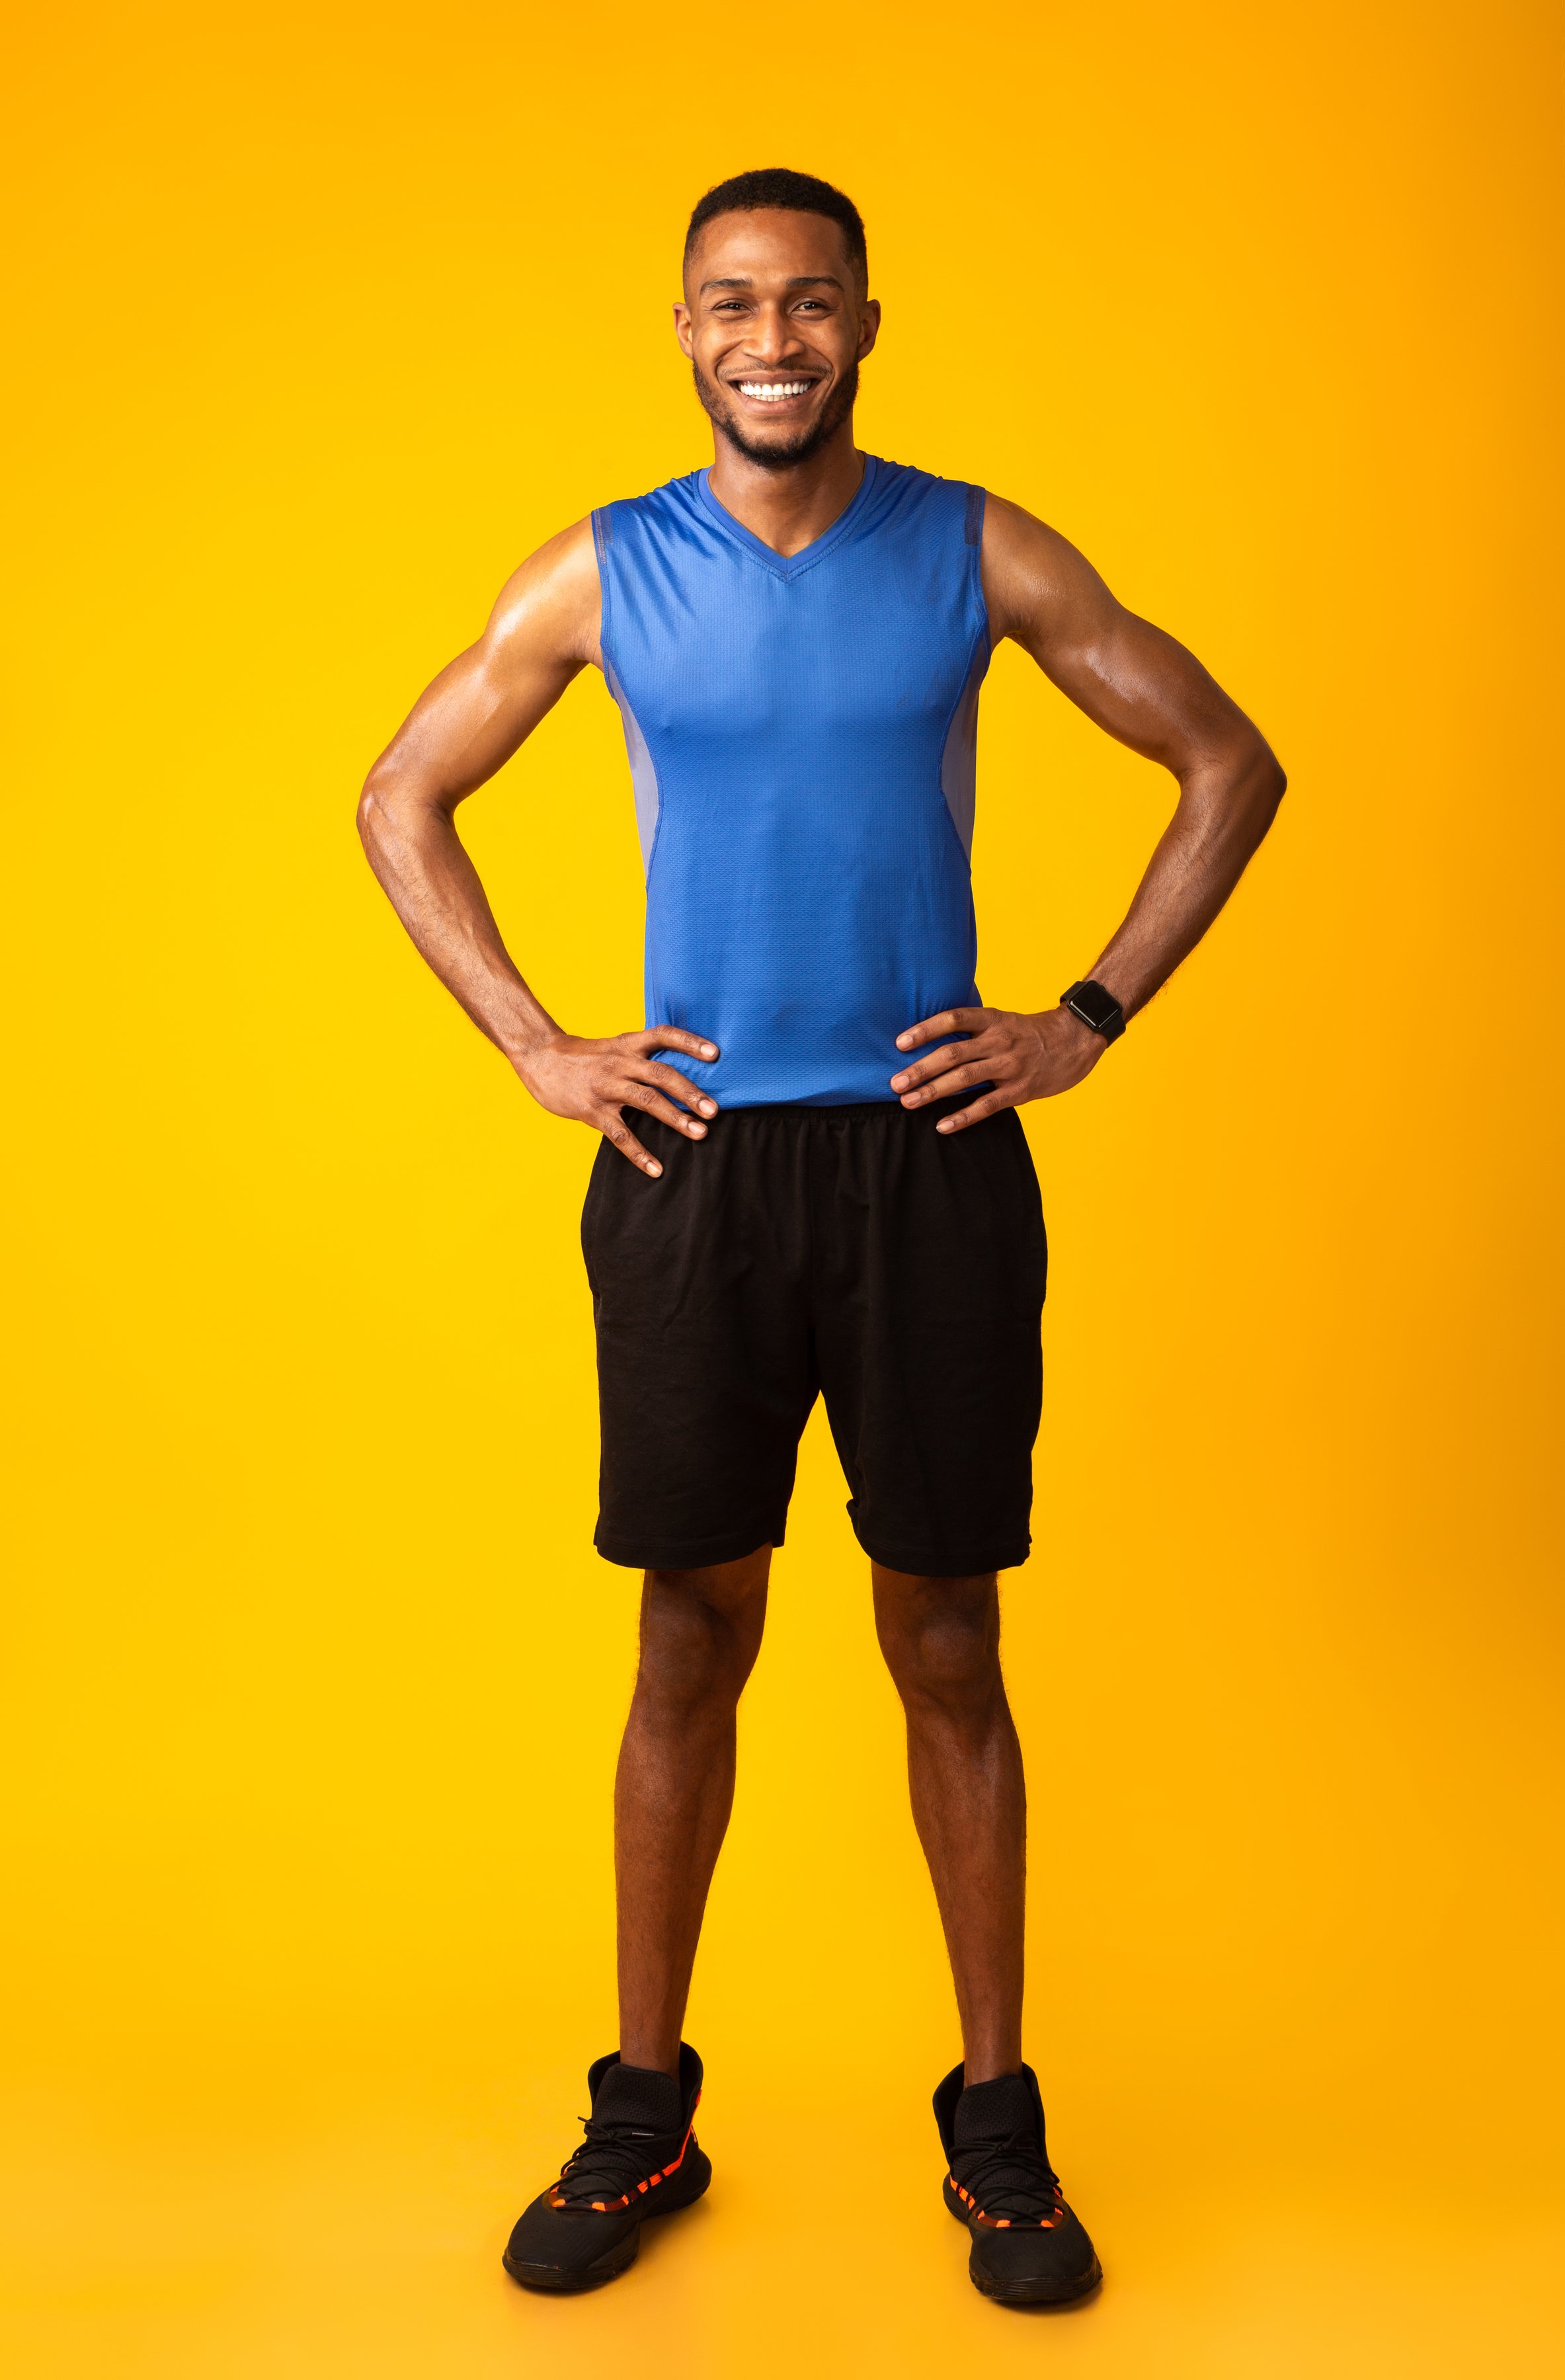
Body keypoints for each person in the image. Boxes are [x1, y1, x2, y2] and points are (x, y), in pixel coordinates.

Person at [357, 165, 1285, 2306]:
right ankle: (642, 2113)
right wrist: (535, 1044)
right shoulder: (609, 569)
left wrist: (1085, 1016)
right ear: (682, 331)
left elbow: (1226, 761)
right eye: (727, 304)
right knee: (690, 1632)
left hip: (922, 1156)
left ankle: (995, 2128)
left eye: (805, 303)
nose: (767, 337)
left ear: (869, 321)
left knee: (946, 1639)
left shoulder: (971, 546)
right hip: (690, 1167)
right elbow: (402, 792)